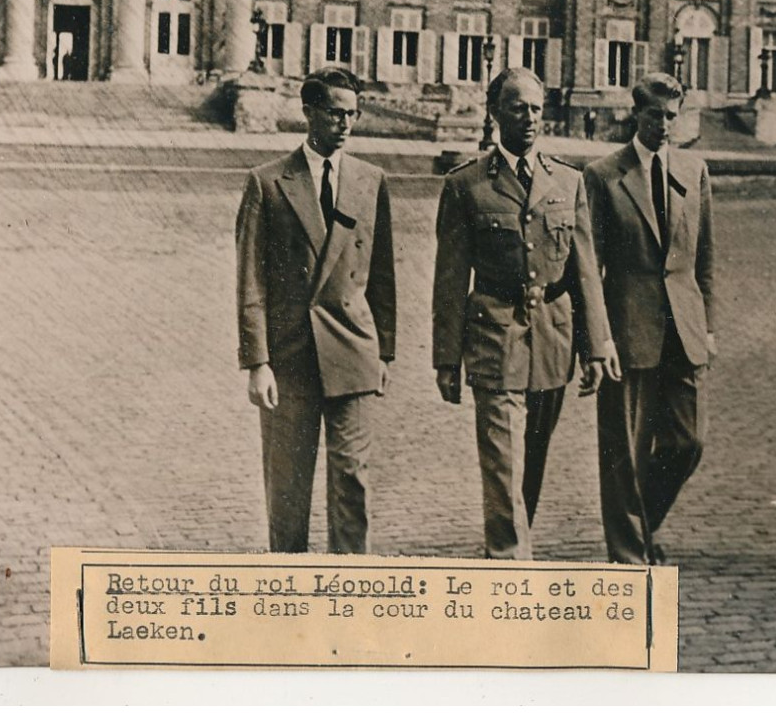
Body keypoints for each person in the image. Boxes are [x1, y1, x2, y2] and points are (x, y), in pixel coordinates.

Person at [433, 67, 614, 559]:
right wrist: (447, 358)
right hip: (494, 336)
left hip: (553, 337)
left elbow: (585, 271)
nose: (530, 117)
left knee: (530, 461)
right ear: (494, 114)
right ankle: (511, 564)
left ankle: (514, 540)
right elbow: (449, 280)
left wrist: (595, 347)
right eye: (518, 107)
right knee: (504, 462)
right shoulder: (466, 185)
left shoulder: (568, 182)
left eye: (536, 107)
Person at [235, 67, 396, 553]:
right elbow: (250, 281)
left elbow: (383, 277)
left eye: (352, 114)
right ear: (307, 112)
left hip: (353, 353)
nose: (345, 124)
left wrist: (384, 354)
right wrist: (257, 363)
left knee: (352, 483)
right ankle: (292, 586)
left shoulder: (371, 181)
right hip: (291, 357)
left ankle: (349, 585)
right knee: (287, 488)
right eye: (334, 112)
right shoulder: (267, 183)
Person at [581, 72, 715, 565]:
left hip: (685, 327)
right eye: (655, 115)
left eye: (672, 117)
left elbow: (705, 260)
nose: (664, 125)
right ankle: (628, 551)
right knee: (625, 450)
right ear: (635, 114)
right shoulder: (603, 175)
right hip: (626, 328)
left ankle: (643, 524)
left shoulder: (694, 171)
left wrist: (710, 327)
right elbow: (588, 267)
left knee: (688, 441)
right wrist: (596, 340)